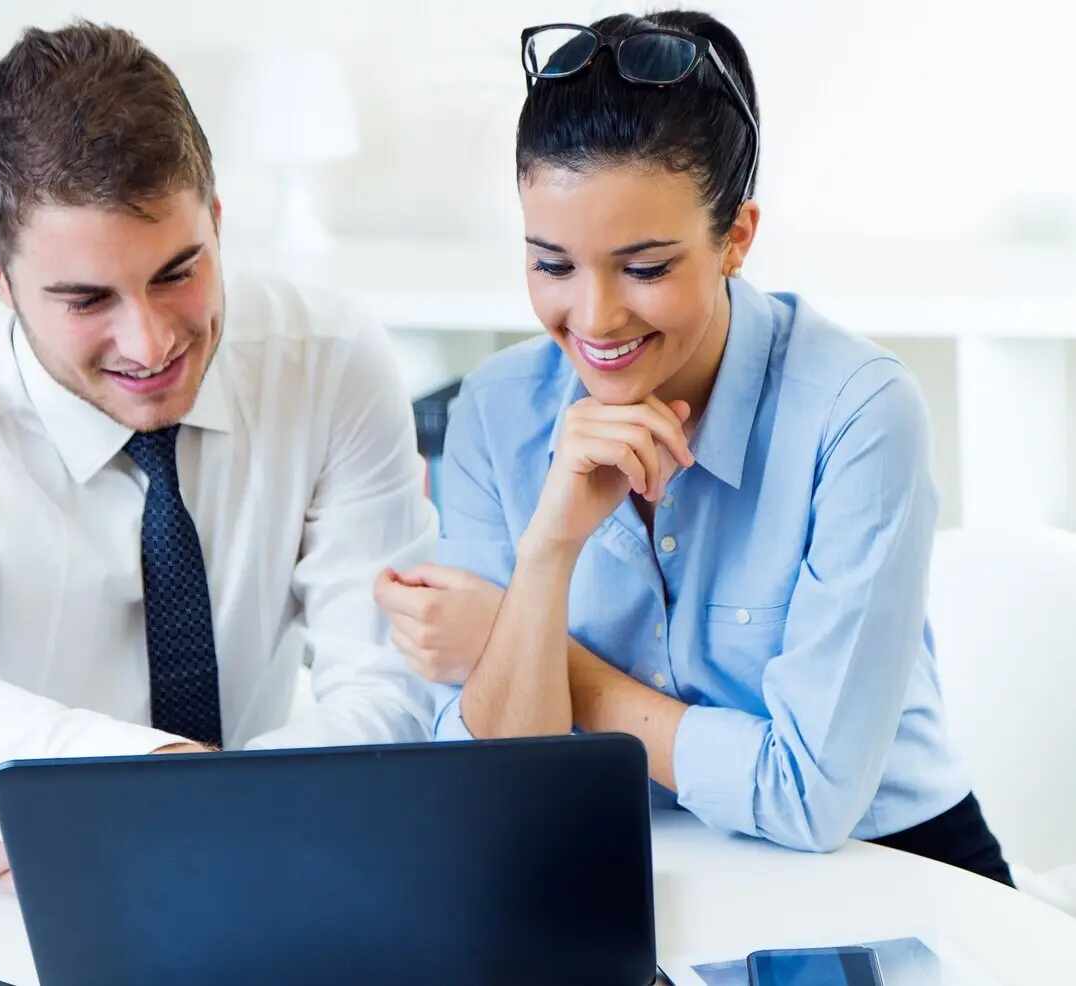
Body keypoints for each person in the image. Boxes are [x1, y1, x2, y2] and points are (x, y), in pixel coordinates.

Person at [375, 9, 1014, 885]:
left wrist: (537, 649)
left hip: (886, 863)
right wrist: (550, 549)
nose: (594, 320)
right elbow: (495, 792)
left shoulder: (858, 412)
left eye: (644, 268)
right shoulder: (496, 411)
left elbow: (808, 797)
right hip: (619, 868)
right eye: (553, 265)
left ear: (736, 239)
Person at [0, 20, 438, 889]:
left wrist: (129, 808)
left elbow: (391, 694)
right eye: (85, 299)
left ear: (217, 221)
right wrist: (138, 792)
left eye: (178, 271)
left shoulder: (329, 361)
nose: (149, 342)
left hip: (235, 857)